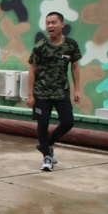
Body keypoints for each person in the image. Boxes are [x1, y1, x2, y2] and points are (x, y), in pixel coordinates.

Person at [27, 12, 81, 171]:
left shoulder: (71, 45)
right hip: (41, 92)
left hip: (61, 92)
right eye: (48, 23)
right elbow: (32, 71)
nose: (50, 26)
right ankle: (47, 158)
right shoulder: (40, 47)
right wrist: (30, 94)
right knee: (42, 124)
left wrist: (77, 89)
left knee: (68, 122)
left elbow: (75, 67)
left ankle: (46, 144)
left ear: (62, 25)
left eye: (54, 22)